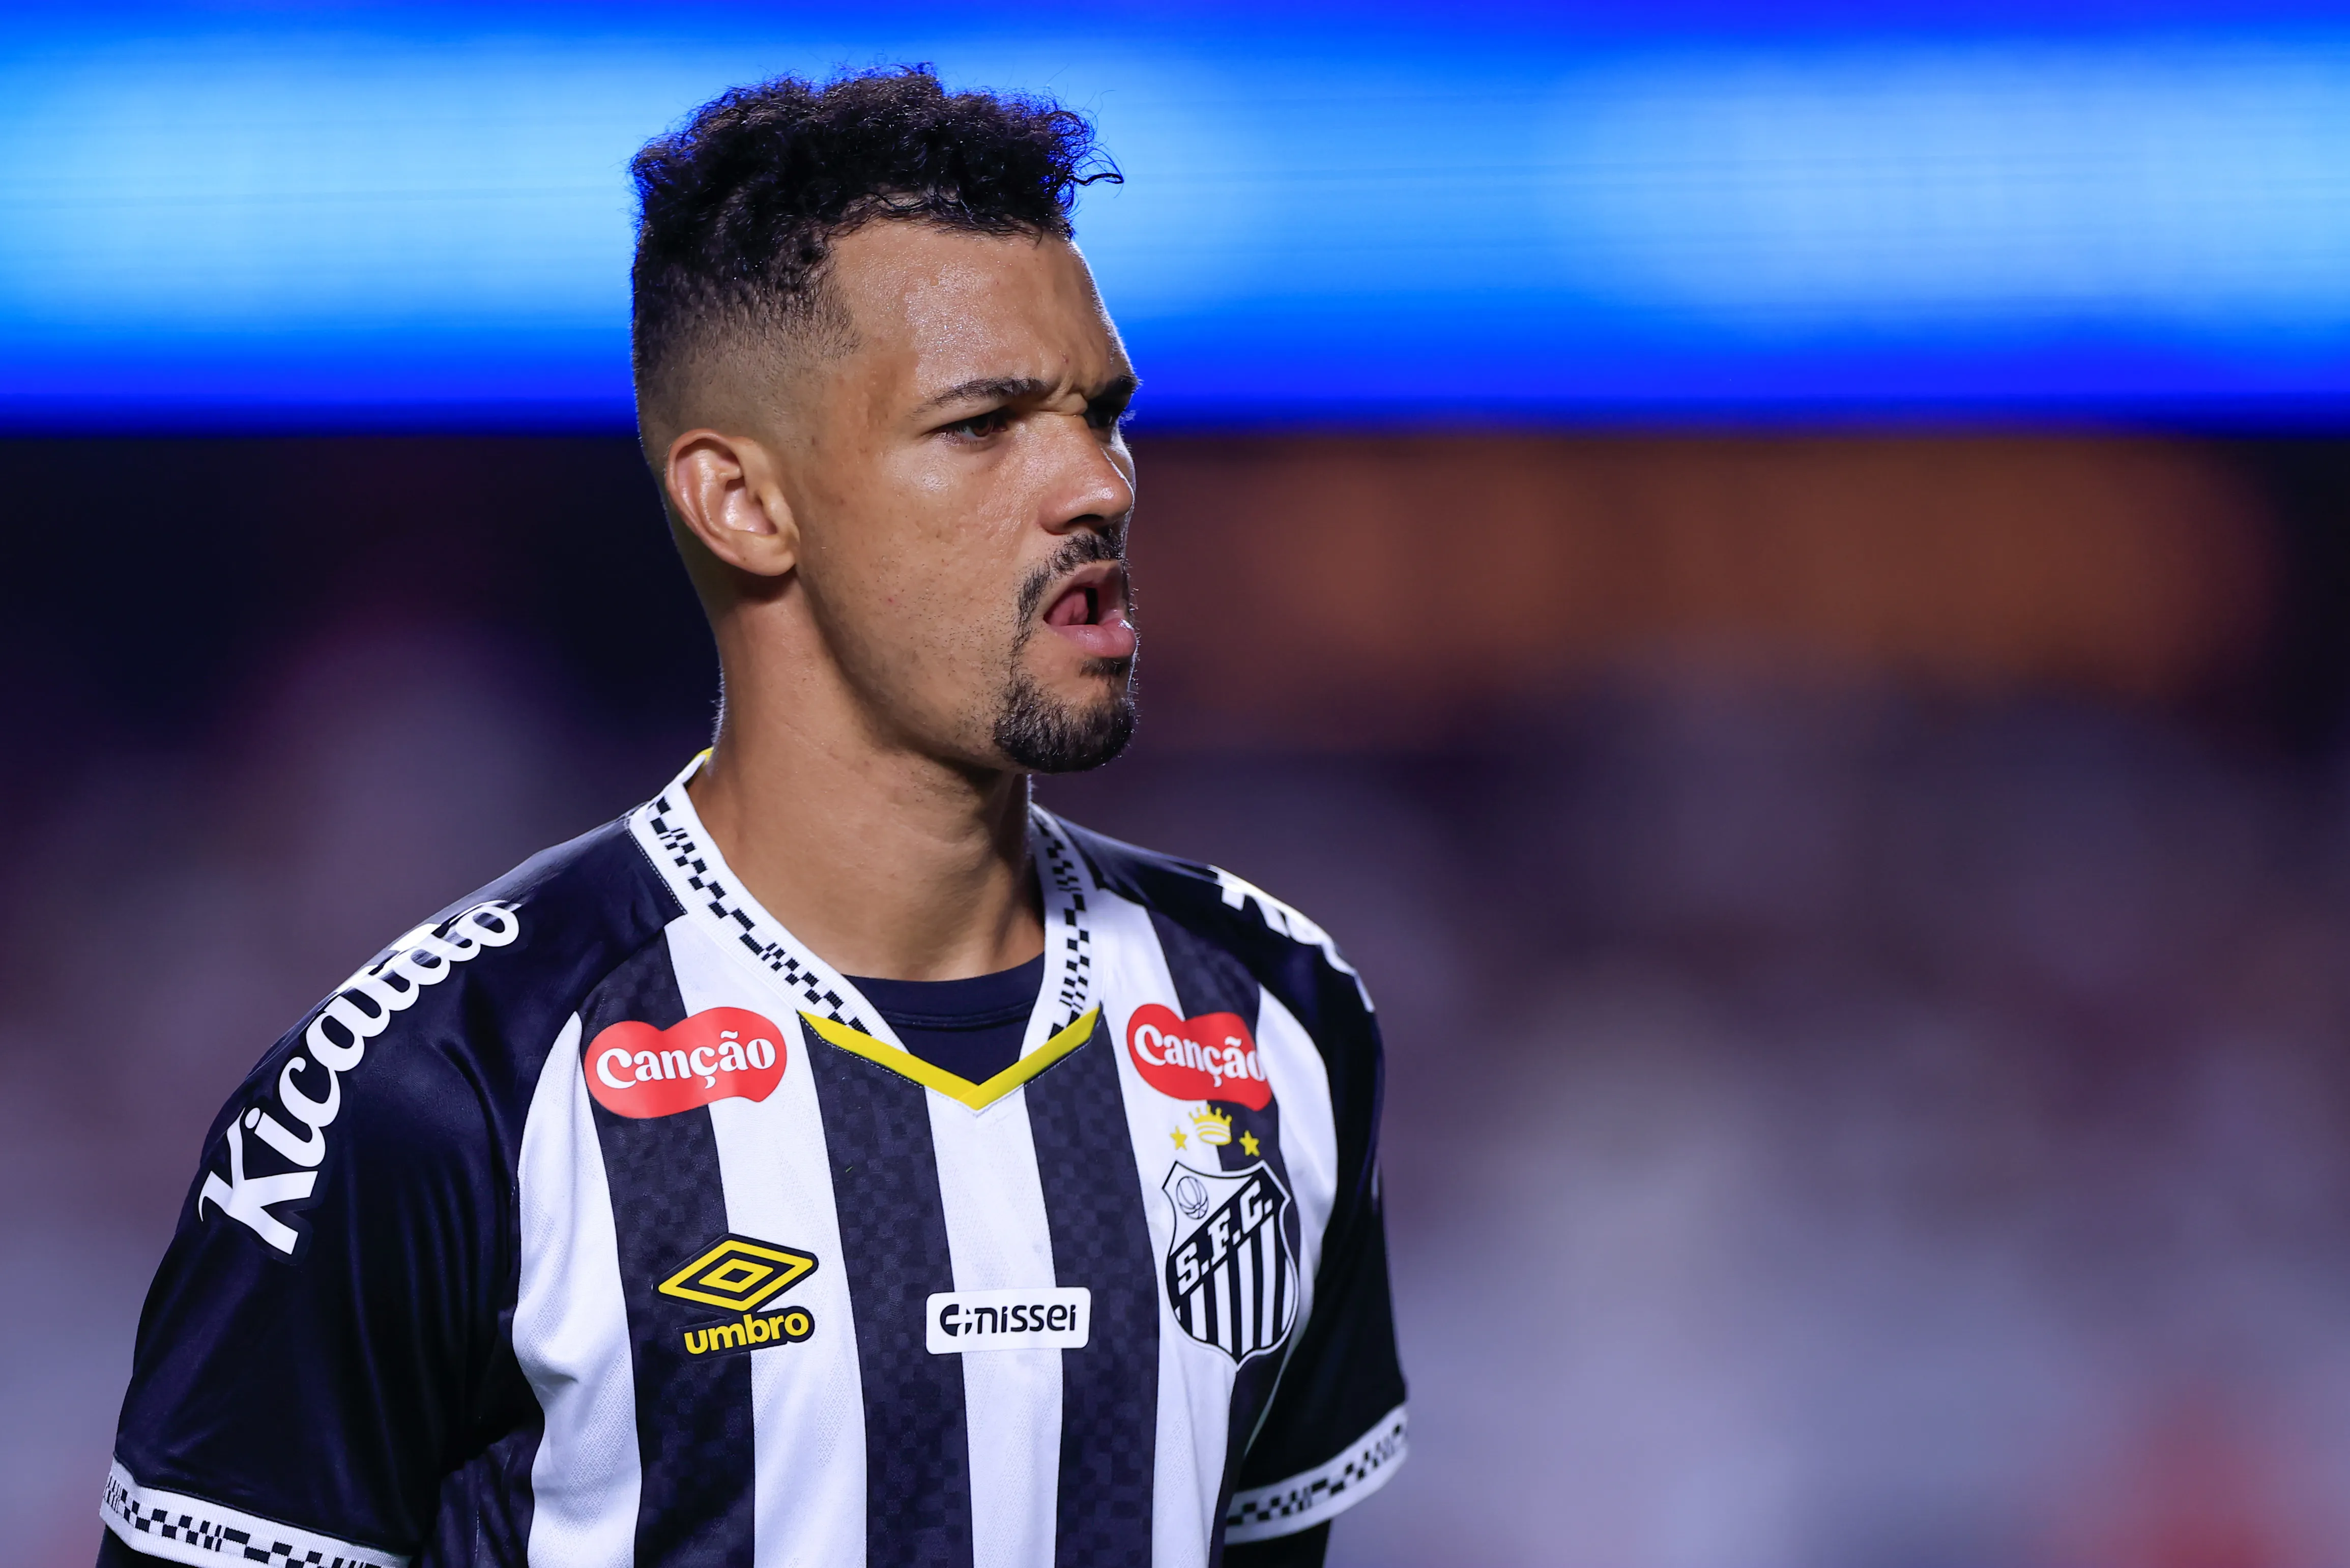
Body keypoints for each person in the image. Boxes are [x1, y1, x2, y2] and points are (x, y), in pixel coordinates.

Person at [99, 67, 1404, 1568]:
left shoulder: (1283, 1018)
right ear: (743, 505)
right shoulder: (434, 1090)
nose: (1096, 484)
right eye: (984, 426)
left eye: (1101, 413)